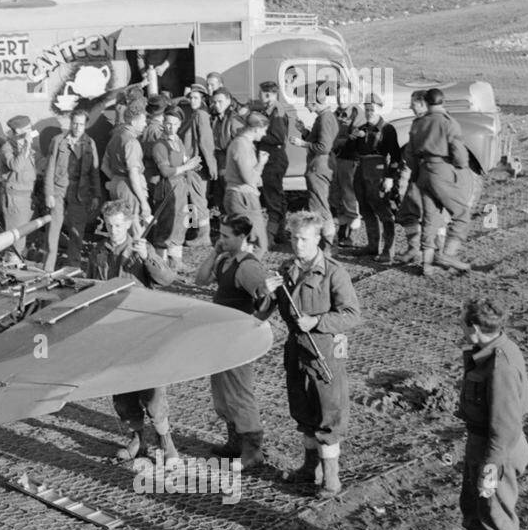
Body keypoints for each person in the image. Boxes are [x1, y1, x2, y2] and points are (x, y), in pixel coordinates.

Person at [442, 298, 528, 530]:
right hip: (481, 443)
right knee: (474, 507)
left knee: (497, 513)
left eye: (463, 323)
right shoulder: (489, 353)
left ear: (476, 329)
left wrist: (490, 470)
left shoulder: (501, 364)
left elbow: (506, 427)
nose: (460, 327)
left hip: (499, 450)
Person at [262, 211, 362, 497]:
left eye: (304, 239)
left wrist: (317, 321)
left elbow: (352, 315)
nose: (298, 245)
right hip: (296, 348)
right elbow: (267, 308)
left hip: (325, 351)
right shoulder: (285, 270)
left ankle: (331, 478)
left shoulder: (334, 272)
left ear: (317, 239)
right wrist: (266, 293)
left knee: (328, 413)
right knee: (302, 410)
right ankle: (309, 468)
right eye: (293, 238)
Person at [89, 200, 180, 464]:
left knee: (152, 393)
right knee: (123, 394)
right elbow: (91, 288)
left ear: (129, 224)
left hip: (143, 330)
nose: (114, 230)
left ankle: (166, 441)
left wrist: (148, 257)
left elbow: (166, 279)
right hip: (113, 331)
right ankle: (138, 440)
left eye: (118, 225)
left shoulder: (141, 248)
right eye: (109, 225)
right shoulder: (98, 251)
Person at [195, 215, 272, 467]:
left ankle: (252, 451)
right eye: (220, 234)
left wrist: (255, 324)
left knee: (239, 392)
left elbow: (268, 299)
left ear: (242, 237)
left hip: (239, 340)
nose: (222, 239)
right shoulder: (226, 260)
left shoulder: (248, 267)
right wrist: (214, 251)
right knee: (222, 391)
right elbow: (201, 279)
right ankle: (235, 442)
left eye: (227, 236)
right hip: (222, 338)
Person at [405, 87, 474, 274]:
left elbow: (409, 153)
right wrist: (459, 166)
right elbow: (459, 153)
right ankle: (448, 255)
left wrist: (417, 172)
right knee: (461, 213)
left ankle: (427, 264)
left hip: (422, 173)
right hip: (441, 170)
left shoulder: (418, 123)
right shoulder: (448, 122)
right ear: (443, 102)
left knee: (429, 217)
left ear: (426, 102)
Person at [44, 108, 99, 271]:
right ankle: (47, 268)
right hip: (59, 190)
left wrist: (96, 195)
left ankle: (72, 268)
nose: (77, 127)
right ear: (70, 123)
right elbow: (50, 168)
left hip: (79, 192)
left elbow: (94, 172)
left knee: (77, 231)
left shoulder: (90, 143)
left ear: (86, 125)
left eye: (81, 124)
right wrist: (49, 194)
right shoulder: (58, 141)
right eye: (74, 123)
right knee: (53, 229)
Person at [150, 105, 204, 270]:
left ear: (180, 124)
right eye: (167, 123)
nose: (170, 127)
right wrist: (187, 166)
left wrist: (193, 165)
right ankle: (160, 262)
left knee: (180, 222)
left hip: (181, 187)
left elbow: (183, 160)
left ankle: (176, 261)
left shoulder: (178, 141)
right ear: (163, 123)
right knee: (166, 224)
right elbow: (166, 171)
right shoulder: (160, 145)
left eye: (174, 123)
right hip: (168, 189)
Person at [394, 90, 445, 264]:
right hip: (424, 172)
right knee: (413, 211)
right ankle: (417, 249)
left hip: (426, 173)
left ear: (423, 103)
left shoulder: (428, 122)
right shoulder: (425, 121)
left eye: (413, 104)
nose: (410, 107)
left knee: (427, 213)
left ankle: (434, 251)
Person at [350, 96, 402, 260]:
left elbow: (395, 156)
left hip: (378, 172)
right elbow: (353, 152)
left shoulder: (387, 129)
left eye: (372, 109)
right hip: (361, 171)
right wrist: (354, 138)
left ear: (380, 109)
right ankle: (373, 246)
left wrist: (390, 178)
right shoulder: (361, 128)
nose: (369, 113)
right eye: (366, 109)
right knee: (365, 209)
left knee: (383, 211)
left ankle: (388, 251)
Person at [290, 90, 338, 248]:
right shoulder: (325, 117)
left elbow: (323, 146)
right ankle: (329, 244)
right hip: (318, 167)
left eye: (307, 103)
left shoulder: (324, 118)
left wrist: (301, 143)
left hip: (318, 167)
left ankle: (329, 246)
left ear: (314, 103)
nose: (306, 107)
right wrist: (304, 132)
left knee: (320, 208)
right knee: (321, 205)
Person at [222, 112, 270, 258]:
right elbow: (249, 178)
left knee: (244, 244)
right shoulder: (241, 145)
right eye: (264, 130)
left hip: (239, 196)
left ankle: (237, 274)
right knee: (258, 244)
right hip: (243, 197)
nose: (265, 134)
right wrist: (261, 164)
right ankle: (246, 275)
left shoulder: (243, 143)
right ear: (256, 128)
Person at [100, 100, 153, 229]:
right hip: (130, 187)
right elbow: (133, 175)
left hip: (116, 184)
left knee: (121, 226)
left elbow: (104, 165)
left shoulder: (116, 136)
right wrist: (143, 202)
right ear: (134, 122)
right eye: (143, 121)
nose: (145, 124)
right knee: (135, 227)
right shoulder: (132, 142)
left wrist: (115, 179)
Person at [252, 80, 290, 246]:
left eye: (261, 93)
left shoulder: (277, 112)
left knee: (272, 198)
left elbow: (278, 137)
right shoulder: (269, 110)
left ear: (268, 94)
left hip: (274, 159)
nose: (259, 96)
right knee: (278, 197)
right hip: (274, 158)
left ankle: (270, 236)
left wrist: (258, 136)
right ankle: (280, 233)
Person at [179, 84, 216, 246]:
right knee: (191, 198)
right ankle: (194, 230)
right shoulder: (195, 114)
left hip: (196, 165)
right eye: (191, 97)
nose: (192, 100)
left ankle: (204, 235)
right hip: (190, 165)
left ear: (202, 99)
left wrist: (211, 165)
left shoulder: (201, 115)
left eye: (196, 98)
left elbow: (205, 142)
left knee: (198, 199)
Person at [0, 115, 39, 257]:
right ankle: (11, 267)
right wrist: (27, 146)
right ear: (18, 130)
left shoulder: (23, 146)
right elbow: (16, 166)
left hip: (26, 197)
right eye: (28, 129)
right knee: (15, 239)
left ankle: (17, 262)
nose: (31, 131)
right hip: (15, 199)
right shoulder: (8, 147)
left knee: (23, 238)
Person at [330, 86, 364, 247]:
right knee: (337, 196)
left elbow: (355, 139)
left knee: (350, 196)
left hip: (350, 161)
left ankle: (352, 235)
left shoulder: (357, 115)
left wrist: (339, 141)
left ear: (351, 96)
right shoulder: (334, 115)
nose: (341, 98)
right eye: (338, 95)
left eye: (344, 95)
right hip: (336, 159)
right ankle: (342, 233)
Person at [209, 88, 243, 217]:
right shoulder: (217, 118)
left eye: (220, 101)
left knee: (232, 200)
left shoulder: (235, 120)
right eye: (215, 102)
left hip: (230, 164)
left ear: (229, 101)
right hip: (220, 162)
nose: (217, 105)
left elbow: (241, 146)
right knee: (221, 198)